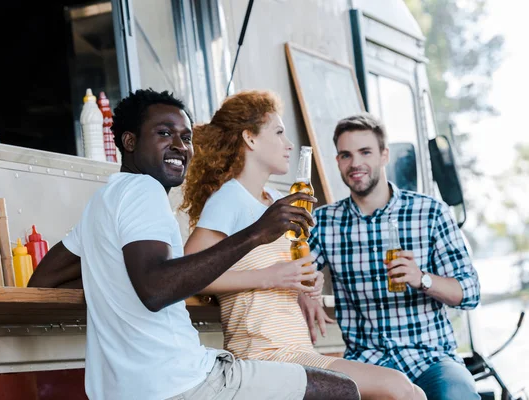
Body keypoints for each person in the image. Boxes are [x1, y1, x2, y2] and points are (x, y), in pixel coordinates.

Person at [27, 88, 360, 400]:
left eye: (186, 137)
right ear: (129, 141)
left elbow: (43, 280)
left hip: (122, 391)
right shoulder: (145, 191)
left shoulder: (103, 201)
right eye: (164, 133)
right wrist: (257, 232)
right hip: (179, 381)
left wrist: (113, 279)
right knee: (341, 391)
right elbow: (156, 288)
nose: (180, 145)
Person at [182, 90, 426, 400]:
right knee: (398, 389)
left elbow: (284, 270)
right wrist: (270, 277)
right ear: (250, 139)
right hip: (263, 355)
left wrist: (305, 286)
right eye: (279, 132)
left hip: (296, 350)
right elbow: (187, 275)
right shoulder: (229, 198)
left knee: (410, 390)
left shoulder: (271, 199)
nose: (288, 144)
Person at [307, 113, 481, 400]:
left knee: (457, 394)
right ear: (337, 162)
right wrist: (304, 289)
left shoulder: (430, 212)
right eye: (346, 155)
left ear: (384, 155)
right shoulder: (325, 222)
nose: (355, 164)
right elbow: (296, 272)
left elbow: (470, 293)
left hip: (431, 358)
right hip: (366, 362)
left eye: (365, 152)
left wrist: (422, 278)